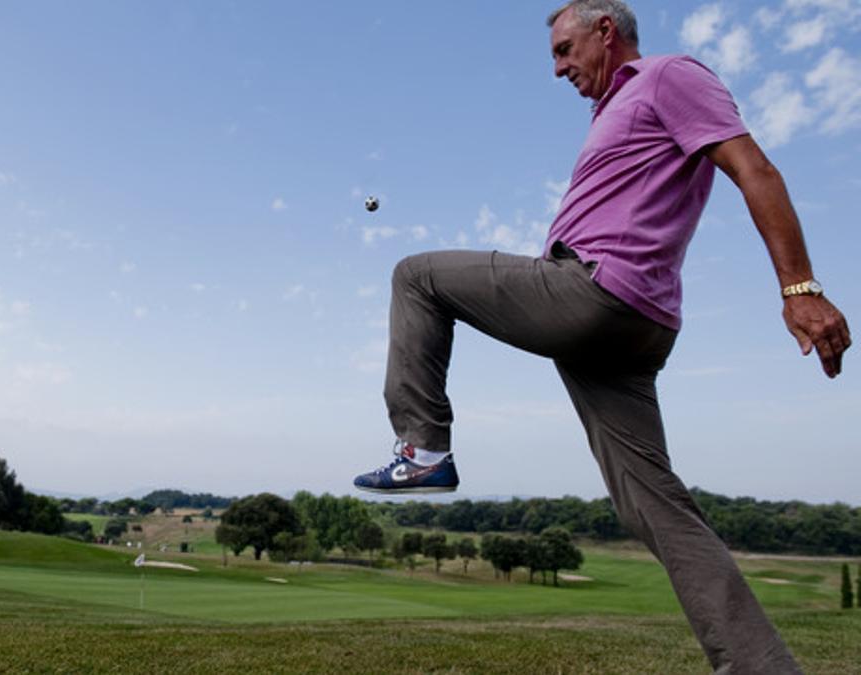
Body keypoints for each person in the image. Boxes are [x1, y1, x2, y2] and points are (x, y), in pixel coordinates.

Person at [352, 0, 850, 671]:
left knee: (417, 276)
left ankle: (423, 448)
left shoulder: (669, 77)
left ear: (605, 32)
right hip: (624, 332)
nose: (558, 69)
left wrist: (800, 286)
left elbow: (754, 168)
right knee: (658, 510)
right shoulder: (613, 110)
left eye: (564, 50)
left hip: (597, 294)